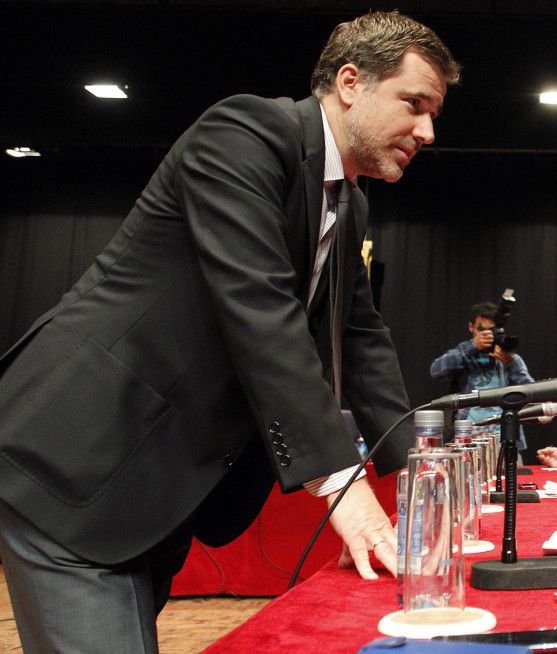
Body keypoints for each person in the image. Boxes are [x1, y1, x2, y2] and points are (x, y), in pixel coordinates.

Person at [0, 11, 459, 652]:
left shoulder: (349, 201)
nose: (428, 131)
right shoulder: (245, 133)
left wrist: (420, 477)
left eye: (434, 113)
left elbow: (361, 338)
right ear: (351, 82)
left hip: (149, 487)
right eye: (415, 104)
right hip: (75, 459)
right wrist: (343, 484)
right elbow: (258, 310)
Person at [430, 300, 536, 452]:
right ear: (471, 327)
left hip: (505, 441)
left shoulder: (509, 357)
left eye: (491, 330)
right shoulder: (463, 353)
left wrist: (510, 363)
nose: (486, 335)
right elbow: (435, 370)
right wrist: (472, 346)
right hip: (467, 440)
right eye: (481, 329)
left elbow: (532, 392)